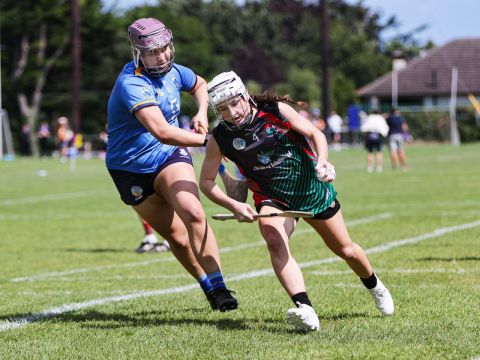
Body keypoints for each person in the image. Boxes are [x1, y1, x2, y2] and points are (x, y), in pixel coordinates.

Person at [200, 71, 394, 331]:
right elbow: (206, 182)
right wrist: (233, 205)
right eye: (223, 108)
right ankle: (305, 309)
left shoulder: (275, 110)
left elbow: (316, 135)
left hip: (310, 189)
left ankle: (374, 285)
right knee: (274, 240)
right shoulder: (220, 137)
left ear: (244, 96)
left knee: (346, 250)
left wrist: (323, 161)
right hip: (272, 198)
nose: (231, 112)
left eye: (234, 103)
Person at [106, 17, 237, 311]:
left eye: (165, 48)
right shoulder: (131, 83)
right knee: (176, 238)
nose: (162, 56)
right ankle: (208, 287)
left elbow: (200, 84)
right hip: (128, 169)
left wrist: (203, 112)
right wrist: (211, 142)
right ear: (139, 52)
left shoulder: (175, 72)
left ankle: (220, 287)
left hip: (168, 156)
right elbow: (162, 131)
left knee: (193, 213)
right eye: (153, 52)